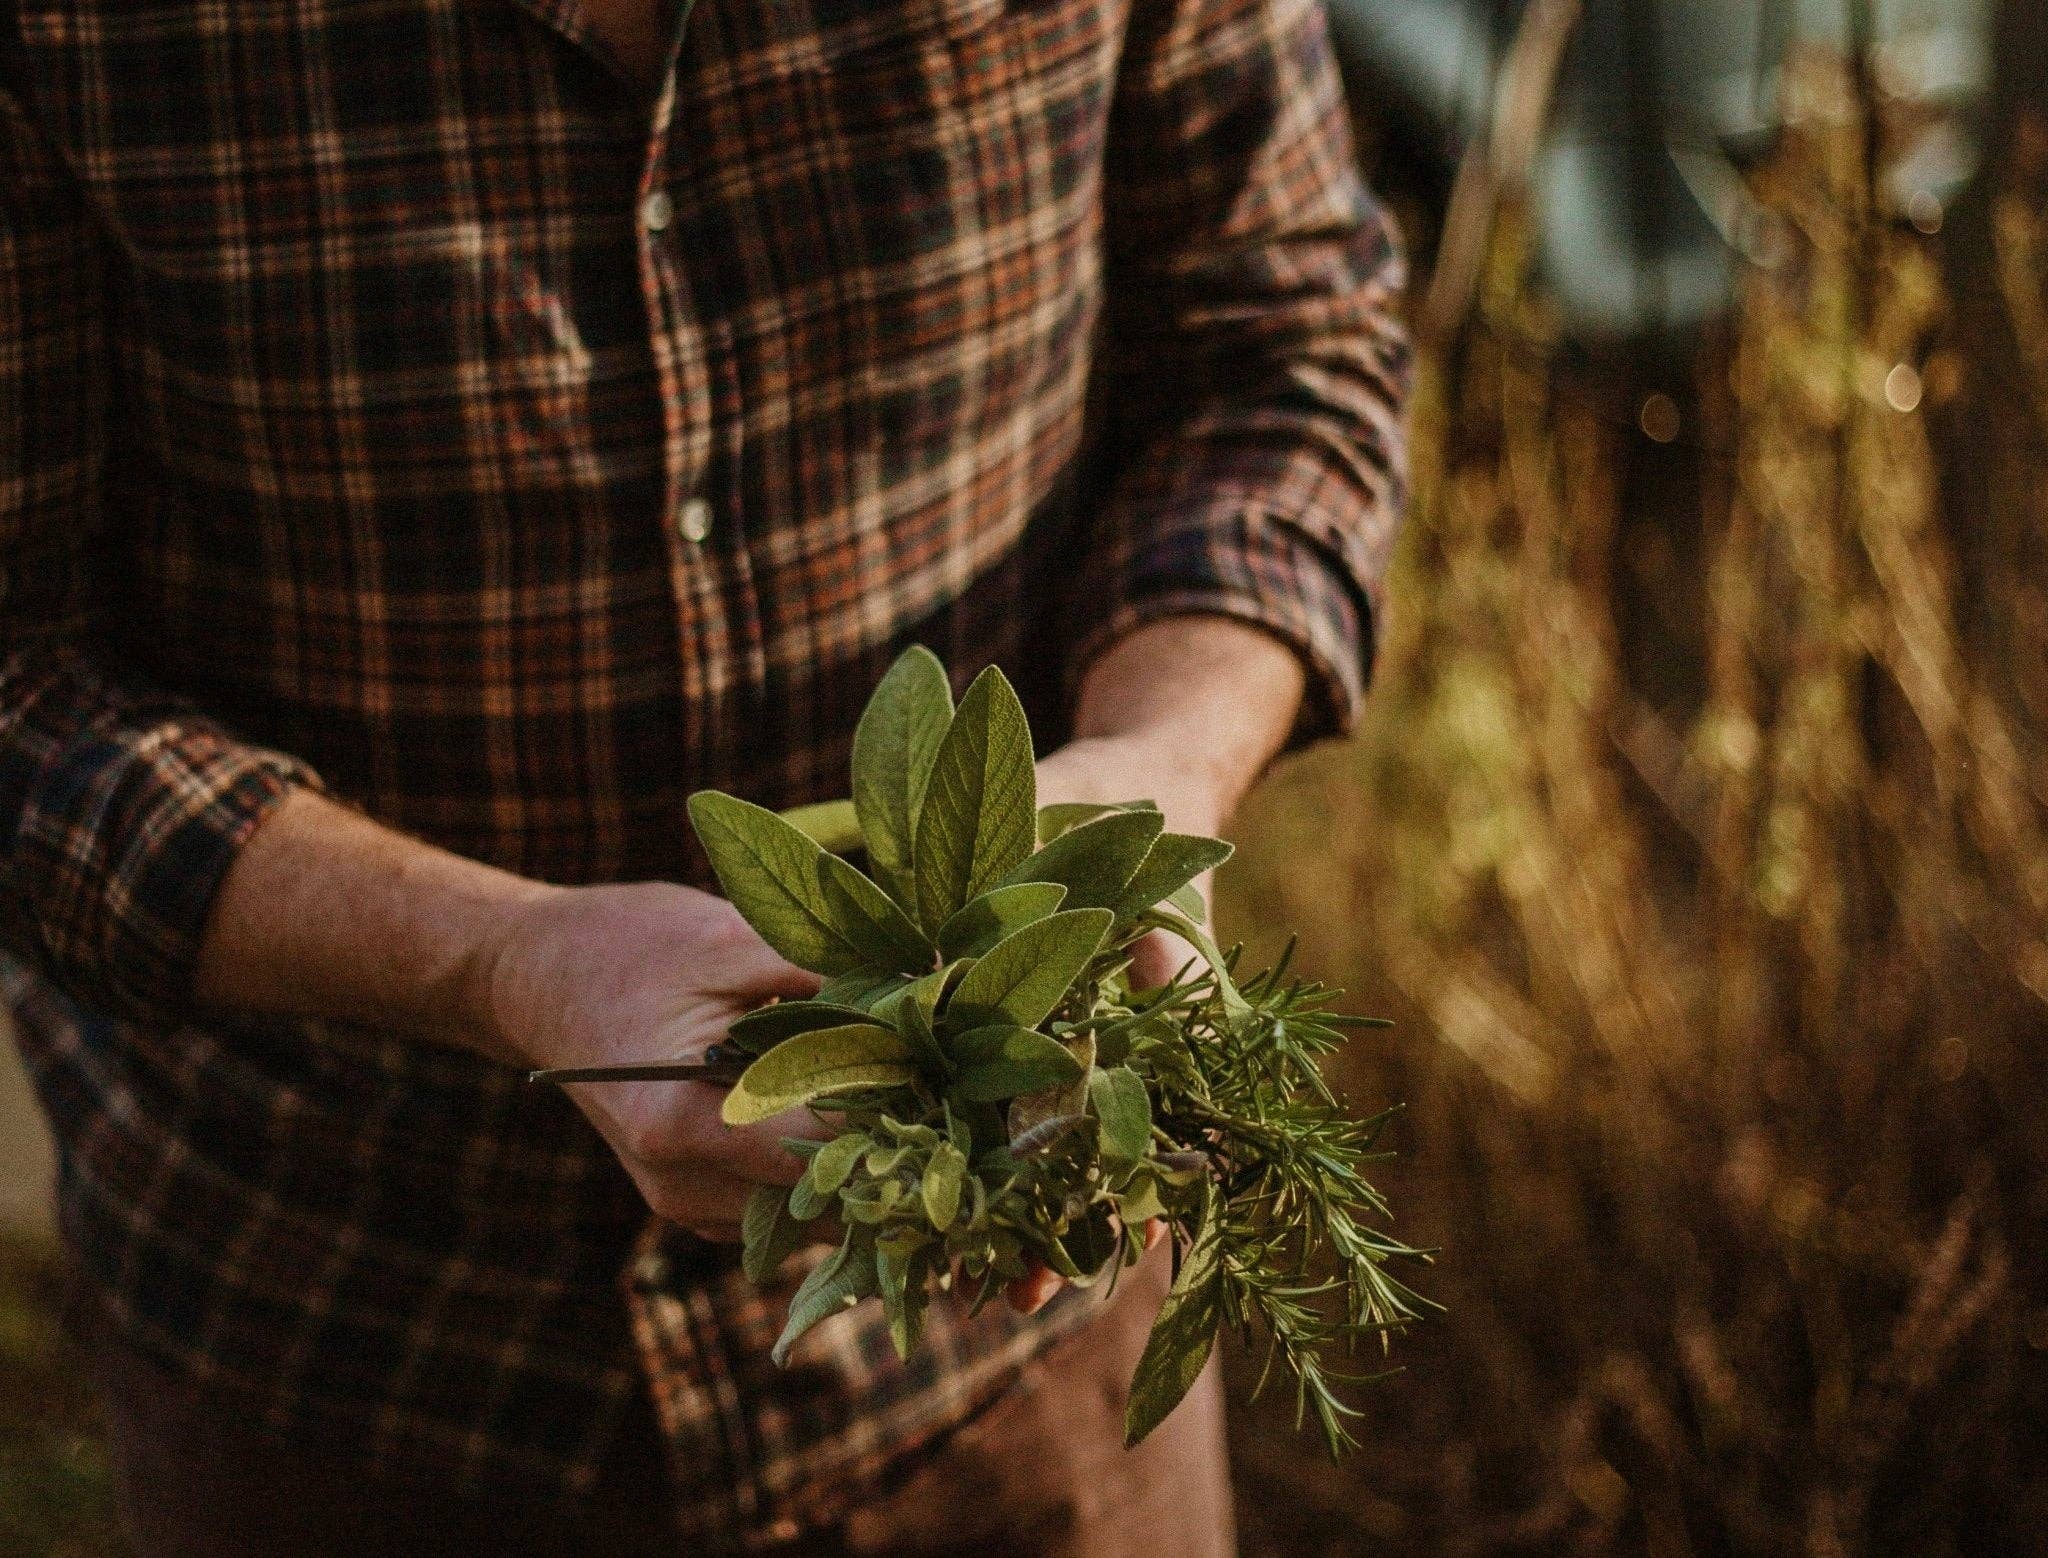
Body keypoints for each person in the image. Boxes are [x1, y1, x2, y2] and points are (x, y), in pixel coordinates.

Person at [0, 0, 1407, 1548]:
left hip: (1015, 1318)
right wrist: (504, 961)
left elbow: (1281, 344)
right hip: (359, 1343)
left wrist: (1157, 770)